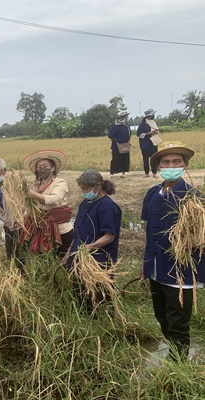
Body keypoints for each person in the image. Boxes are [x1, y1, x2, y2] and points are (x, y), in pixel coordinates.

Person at [140, 141, 205, 360]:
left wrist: (191, 240)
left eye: (176, 161)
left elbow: (201, 237)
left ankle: (178, 363)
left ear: (185, 165)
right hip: (156, 267)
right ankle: (174, 351)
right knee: (161, 315)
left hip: (180, 270)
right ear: (158, 166)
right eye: (166, 162)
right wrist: (145, 263)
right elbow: (149, 231)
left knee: (178, 320)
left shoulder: (194, 198)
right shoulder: (152, 194)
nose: (171, 165)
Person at [67, 170, 122, 312]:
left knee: (99, 297)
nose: (84, 192)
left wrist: (88, 248)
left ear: (98, 186)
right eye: (82, 189)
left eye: (86, 189)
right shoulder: (86, 203)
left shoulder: (107, 206)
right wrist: (70, 252)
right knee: (81, 295)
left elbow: (109, 236)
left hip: (98, 261)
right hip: (80, 258)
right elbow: (78, 232)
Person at [22, 150, 73, 259]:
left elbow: (54, 200)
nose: (42, 169)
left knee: (63, 261)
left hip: (60, 230)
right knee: (44, 259)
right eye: (39, 167)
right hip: (42, 230)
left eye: (45, 166)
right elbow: (31, 206)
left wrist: (33, 194)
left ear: (53, 168)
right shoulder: (36, 185)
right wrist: (24, 217)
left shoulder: (60, 182)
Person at [0, 157, 26, 274]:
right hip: (8, 225)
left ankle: (24, 277)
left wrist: (23, 217)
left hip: (22, 225)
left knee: (22, 255)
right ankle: (13, 276)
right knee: (10, 253)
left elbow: (29, 202)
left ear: (4, 170)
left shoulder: (15, 182)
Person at [137, 109, 160, 178]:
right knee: (145, 159)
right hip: (145, 144)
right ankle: (146, 173)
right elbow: (139, 134)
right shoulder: (142, 125)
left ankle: (154, 173)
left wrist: (156, 132)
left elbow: (157, 131)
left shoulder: (154, 123)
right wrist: (148, 133)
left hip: (153, 144)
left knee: (154, 159)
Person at [108, 112, 131, 178]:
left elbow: (129, 135)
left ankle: (123, 173)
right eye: (126, 117)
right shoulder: (116, 126)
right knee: (116, 159)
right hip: (116, 146)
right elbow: (110, 135)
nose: (127, 118)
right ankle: (111, 173)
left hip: (126, 145)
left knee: (125, 159)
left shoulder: (127, 126)